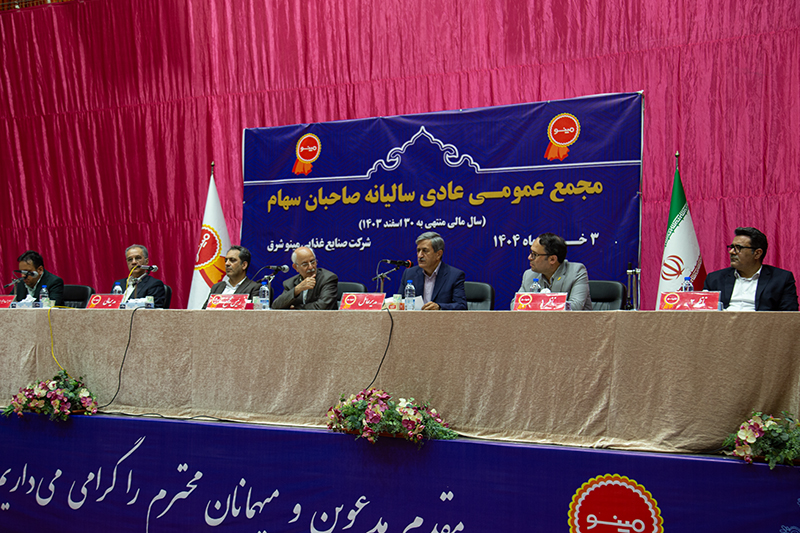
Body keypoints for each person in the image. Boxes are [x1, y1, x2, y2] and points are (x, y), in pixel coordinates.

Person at [703, 227, 798, 311]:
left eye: (738, 248)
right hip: (723, 324)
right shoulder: (715, 279)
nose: (731, 252)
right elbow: (704, 312)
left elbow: (788, 316)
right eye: (731, 247)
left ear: (757, 253)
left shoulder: (781, 279)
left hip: (761, 325)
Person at [510, 232, 593, 310]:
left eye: (535, 254)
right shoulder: (529, 275)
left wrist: (537, 304)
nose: (529, 257)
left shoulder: (576, 272)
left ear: (552, 259)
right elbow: (515, 304)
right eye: (531, 252)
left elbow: (574, 307)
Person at [397, 231, 467, 310]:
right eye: (418, 250)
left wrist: (439, 307)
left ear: (438, 254)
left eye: (425, 251)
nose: (420, 255)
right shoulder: (409, 274)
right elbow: (400, 302)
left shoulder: (454, 276)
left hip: (441, 318)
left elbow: (461, 306)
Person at [272, 246, 338, 310]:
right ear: (295, 267)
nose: (311, 267)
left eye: (312, 262)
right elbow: (276, 306)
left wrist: (297, 308)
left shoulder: (328, 279)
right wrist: (297, 289)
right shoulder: (290, 283)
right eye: (305, 264)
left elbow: (322, 307)